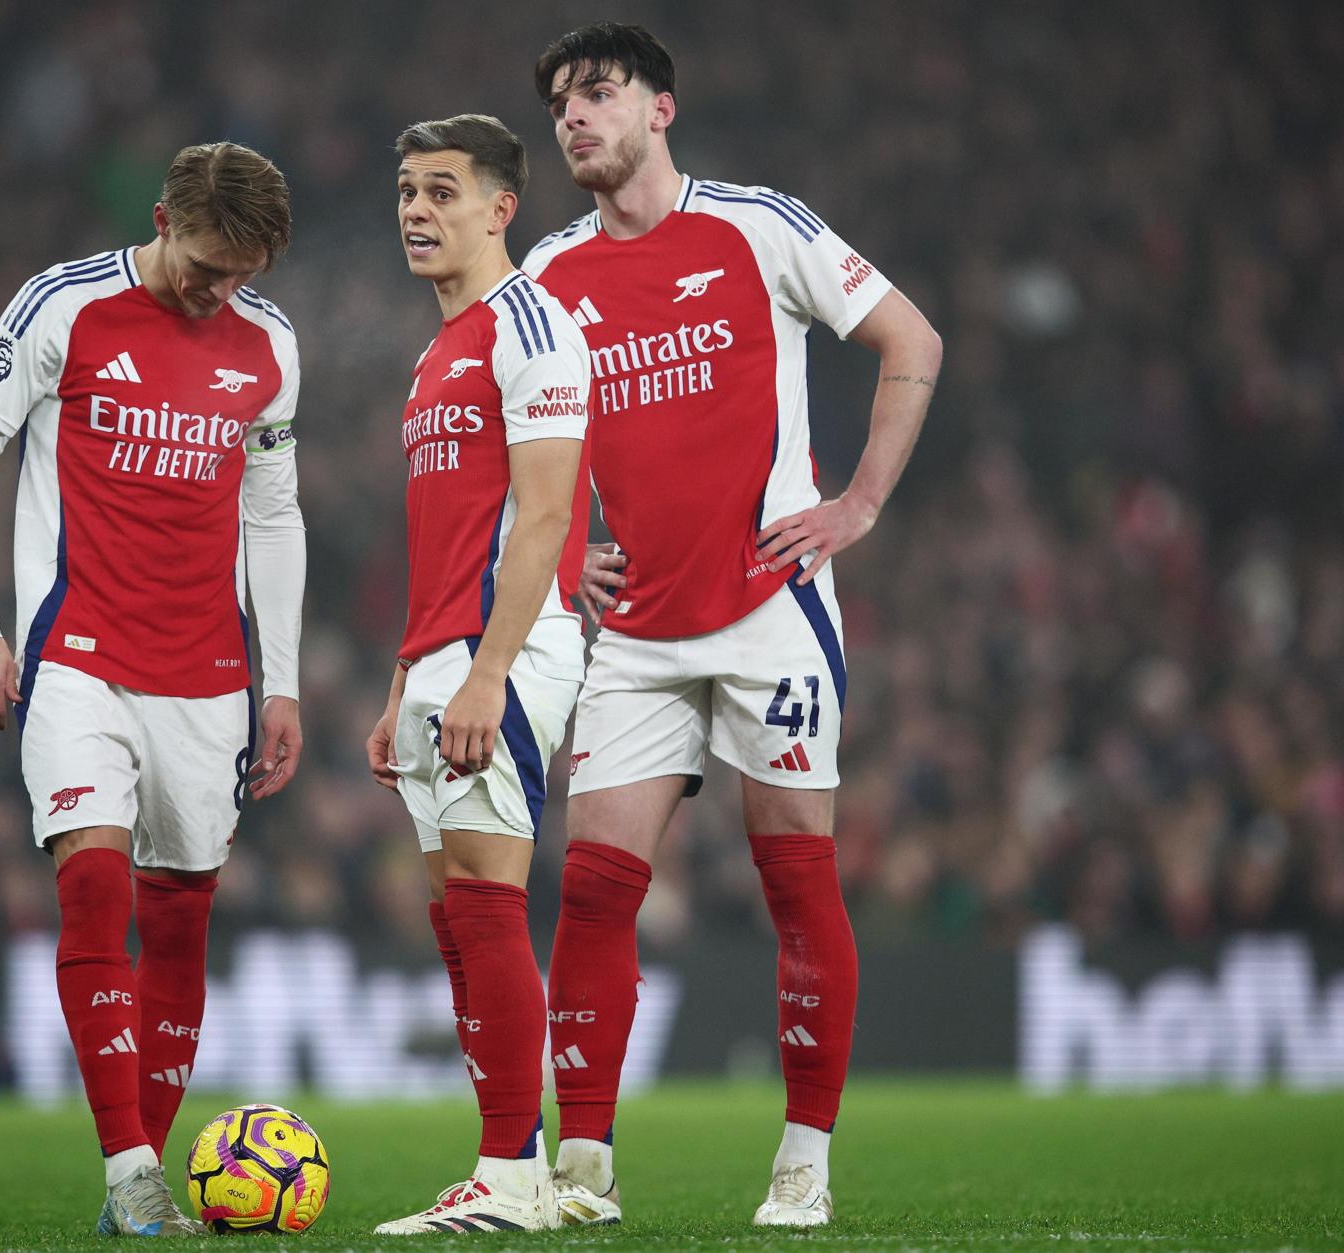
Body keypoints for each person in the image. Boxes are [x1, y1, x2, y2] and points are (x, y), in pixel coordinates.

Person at [521, 23, 944, 1229]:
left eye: (598, 92)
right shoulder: (548, 275)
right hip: (638, 630)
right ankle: (585, 1170)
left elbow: (912, 339)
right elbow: (513, 430)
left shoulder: (759, 227)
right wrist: (558, 553)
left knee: (796, 879)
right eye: (561, 103)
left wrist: (856, 501)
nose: (575, 117)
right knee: (596, 888)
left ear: (662, 107)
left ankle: (804, 1158)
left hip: (772, 607)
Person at [0, 141, 305, 1237]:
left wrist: (278, 684)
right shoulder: (65, 306)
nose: (217, 289)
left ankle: (140, 1184)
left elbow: (273, 513)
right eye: (202, 264)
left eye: (241, 273)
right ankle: (132, 1168)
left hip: (209, 677)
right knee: (93, 888)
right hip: (78, 659)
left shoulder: (273, 344)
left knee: (180, 924)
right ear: (160, 218)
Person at [364, 114, 592, 1235]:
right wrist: (407, 675)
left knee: (491, 899)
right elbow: (447, 532)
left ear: (502, 207)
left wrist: (489, 671)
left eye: (443, 191)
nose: (417, 210)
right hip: (443, 657)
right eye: (408, 190)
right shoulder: (434, 350)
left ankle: (508, 1176)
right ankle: (523, 1162)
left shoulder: (532, 327)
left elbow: (545, 512)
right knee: (456, 911)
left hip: (509, 648)